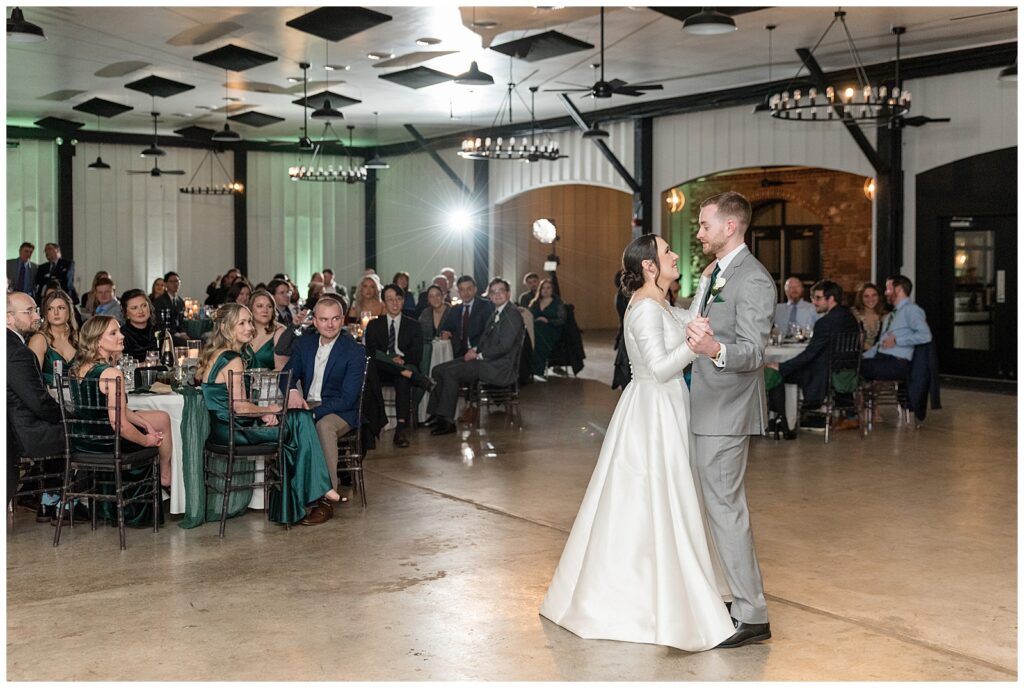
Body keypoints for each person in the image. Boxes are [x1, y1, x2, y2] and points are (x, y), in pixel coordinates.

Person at [540, 234, 735, 651]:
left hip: (669, 407)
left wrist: (704, 287)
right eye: (667, 252)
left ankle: (681, 579)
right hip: (654, 410)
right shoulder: (645, 310)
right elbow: (662, 368)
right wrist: (693, 346)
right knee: (653, 497)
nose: (674, 256)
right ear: (649, 266)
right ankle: (647, 594)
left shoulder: (660, 304)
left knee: (674, 496)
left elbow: (690, 319)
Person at [684, 191, 776, 648]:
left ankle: (753, 614)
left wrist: (715, 350)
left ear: (730, 227)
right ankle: (740, 602)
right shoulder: (714, 273)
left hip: (727, 412)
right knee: (716, 510)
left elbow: (755, 351)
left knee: (726, 509)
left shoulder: (754, 279)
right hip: (705, 404)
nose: (699, 234)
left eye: (704, 226)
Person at [197, 303, 339, 526]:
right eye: (242, 323)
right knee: (300, 418)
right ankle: (319, 490)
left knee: (295, 423)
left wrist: (262, 416)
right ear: (226, 327)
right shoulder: (232, 358)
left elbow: (232, 404)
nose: (249, 328)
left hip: (223, 429)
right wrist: (269, 409)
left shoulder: (219, 354)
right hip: (235, 431)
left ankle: (313, 492)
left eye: (249, 322)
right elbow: (239, 407)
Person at [282, 297, 366, 525]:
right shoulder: (304, 345)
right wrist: (292, 391)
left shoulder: (354, 351)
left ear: (343, 320)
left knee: (323, 426)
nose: (330, 325)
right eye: (324, 319)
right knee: (281, 424)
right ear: (315, 322)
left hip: (340, 411)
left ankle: (325, 500)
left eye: (335, 319)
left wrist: (312, 412)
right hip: (308, 403)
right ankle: (291, 497)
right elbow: (286, 376)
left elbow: (348, 398)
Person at [73, 315, 173, 488]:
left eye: (119, 331)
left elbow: (117, 409)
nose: (122, 336)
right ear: (97, 342)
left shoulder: (78, 368)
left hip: (84, 440)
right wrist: (145, 440)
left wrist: (144, 424)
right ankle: (166, 478)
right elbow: (119, 424)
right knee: (157, 430)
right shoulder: (111, 374)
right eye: (113, 333)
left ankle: (165, 476)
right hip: (108, 443)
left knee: (161, 418)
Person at [427, 278, 523, 436]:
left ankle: (447, 421)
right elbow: (485, 339)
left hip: (499, 367)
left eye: (501, 291)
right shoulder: (497, 312)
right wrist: (475, 350)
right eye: (493, 292)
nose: (497, 294)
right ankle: (437, 414)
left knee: (451, 372)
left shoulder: (511, 314)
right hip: (487, 361)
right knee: (438, 370)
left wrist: (479, 355)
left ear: (508, 293)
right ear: (490, 295)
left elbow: (504, 346)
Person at [766, 280, 861, 433]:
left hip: (824, 374)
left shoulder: (825, 323)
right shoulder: (849, 318)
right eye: (813, 298)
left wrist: (781, 366)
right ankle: (793, 419)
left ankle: (783, 422)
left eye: (817, 298)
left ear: (830, 299)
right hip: (847, 371)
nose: (814, 302)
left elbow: (809, 355)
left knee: (776, 374)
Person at [7, 291, 68, 524]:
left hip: (17, 427)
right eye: (29, 311)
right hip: (26, 432)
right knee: (87, 434)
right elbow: (38, 403)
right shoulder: (16, 352)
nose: (37, 317)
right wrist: (67, 415)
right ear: (8, 318)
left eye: (35, 310)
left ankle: (51, 499)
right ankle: (67, 502)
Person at [363, 284, 429, 448]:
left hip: (404, 366)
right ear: (383, 302)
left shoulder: (413, 325)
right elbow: (371, 352)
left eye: (398, 299)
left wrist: (401, 359)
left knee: (402, 378)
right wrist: (391, 358)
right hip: (380, 370)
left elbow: (417, 354)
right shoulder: (373, 324)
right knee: (374, 361)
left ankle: (400, 429)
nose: (394, 303)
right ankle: (414, 377)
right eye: (390, 299)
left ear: (403, 301)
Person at [860, 275, 932, 381]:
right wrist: (862, 356)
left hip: (896, 362)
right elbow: (881, 344)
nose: (885, 293)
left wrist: (897, 340)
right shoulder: (891, 315)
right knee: (850, 365)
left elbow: (926, 336)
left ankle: (849, 396)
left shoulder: (911, 310)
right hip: (882, 358)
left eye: (888, 289)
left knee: (855, 368)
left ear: (898, 289)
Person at [28, 289, 79, 386]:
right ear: (46, 313)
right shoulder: (39, 340)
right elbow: (32, 378)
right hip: (49, 396)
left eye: (61, 308)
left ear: (69, 310)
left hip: (77, 396)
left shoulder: (78, 338)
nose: (56, 313)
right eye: (50, 309)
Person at [439, 275, 494, 358]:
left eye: (469, 289)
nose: (466, 293)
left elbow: (490, 333)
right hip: (458, 353)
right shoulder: (455, 309)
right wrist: (445, 332)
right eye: (462, 290)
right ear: (458, 292)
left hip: (478, 353)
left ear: (475, 289)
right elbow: (445, 327)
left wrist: (476, 349)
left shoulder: (486, 306)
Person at [528, 279, 566, 381]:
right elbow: (529, 315)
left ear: (552, 290)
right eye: (543, 288)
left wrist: (548, 320)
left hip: (552, 329)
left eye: (548, 288)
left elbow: (562, 320)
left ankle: (537, 371)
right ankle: (529, 370)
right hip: (536, 328)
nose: (545, 290)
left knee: (539, 340)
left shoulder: (557, 303)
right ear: (540, 290)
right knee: (530, 338)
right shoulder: (535, 302)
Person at [244, 289, 289, 370]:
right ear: (250, 309)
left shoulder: (280, 332)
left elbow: (281, 369)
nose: (265, 310)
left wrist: (261, 381)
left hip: (270, 381)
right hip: (241, 381)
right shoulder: (244, 330)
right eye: (260, 306)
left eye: (269, 306)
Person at [119, 289, 160, 362]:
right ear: (126, 313)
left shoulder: (159, 330)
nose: (141, 311)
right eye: (134, 308)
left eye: (144, 306)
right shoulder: (121, 335)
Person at [852, 282, 887, 351]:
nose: (871, 299)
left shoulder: (885, 315)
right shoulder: (854, 315)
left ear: (879, 296)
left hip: (879, 355)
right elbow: (858, 341)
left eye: (874, 295)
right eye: (866, 296)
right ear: (860, 298)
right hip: (858, 356)